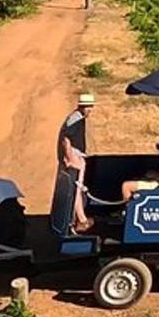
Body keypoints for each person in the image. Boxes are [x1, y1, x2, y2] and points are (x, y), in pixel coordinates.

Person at [58, 92, 96, 232]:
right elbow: (66, 139)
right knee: (76, 189)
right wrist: (69, 158)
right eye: (88, 106)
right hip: (75, 156)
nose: (90, 109)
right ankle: (81, 220)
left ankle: (80, 219)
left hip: (77, 155)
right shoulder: (76, 118)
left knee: (77, 189)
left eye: (91, 106)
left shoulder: (78, 117)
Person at [121, 135, 159, 200]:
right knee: (135, 179)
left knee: (126, 186)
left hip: (157, 186)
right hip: (156, 182)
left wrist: (153, 175)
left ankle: (130, 208)